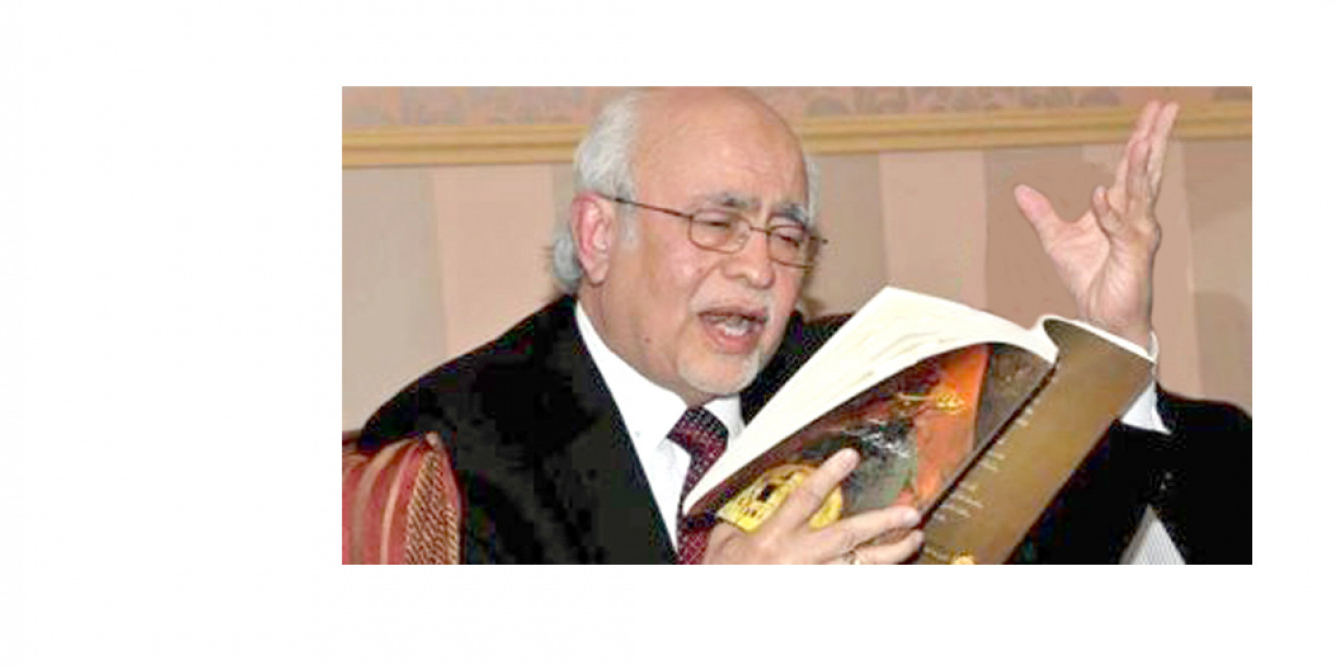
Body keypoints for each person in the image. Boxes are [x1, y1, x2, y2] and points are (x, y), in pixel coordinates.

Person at [358, 87, 1250, 563]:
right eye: (717, 223)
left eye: (787, 235)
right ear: (599, 235)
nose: (759, 269)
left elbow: (1057, 560)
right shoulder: (453, 451)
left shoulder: (866, 378)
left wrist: (1113, 340)